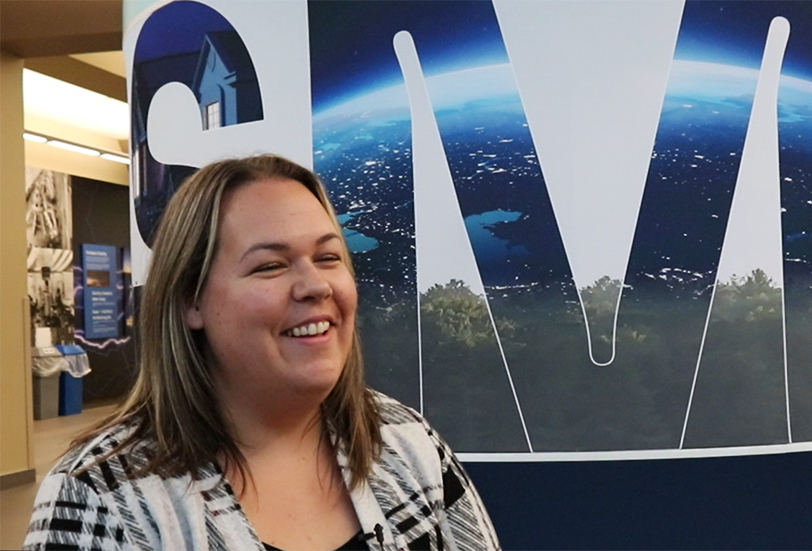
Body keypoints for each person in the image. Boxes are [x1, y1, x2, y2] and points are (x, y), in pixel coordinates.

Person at [24, 155, 500, 551]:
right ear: (192, 300)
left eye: (329, 257)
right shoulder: (100, 497)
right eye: (270, 265)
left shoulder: (406, 443)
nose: (316, 285)